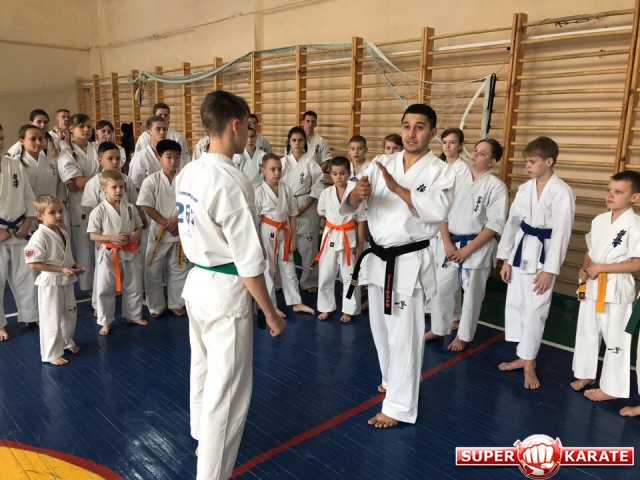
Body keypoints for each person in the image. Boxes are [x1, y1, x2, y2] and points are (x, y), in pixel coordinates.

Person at [175, 90, 285, 480]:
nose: (249, 134)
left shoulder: (189, 171)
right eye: (248, 127)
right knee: (229, 394)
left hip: (198, 284)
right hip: (225, 292)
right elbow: (249, 261)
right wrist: (270, 312)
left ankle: (201, 437)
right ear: (235, 125)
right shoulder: (232, 181)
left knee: (203, 369)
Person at [342, 103, 455, 428]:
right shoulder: (382, 162)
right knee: (381, 330)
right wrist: (357, 194)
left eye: (420, 127)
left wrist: (397, 189)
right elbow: (351, 203)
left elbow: (438, 209)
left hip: (407, 262)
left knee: (404, 335)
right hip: (378, 258)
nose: (411, 133)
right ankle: (392, 381)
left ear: (432, 133)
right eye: (407, 126)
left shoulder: (441, 171)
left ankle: (400, 407)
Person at [497, 136, 575, 389]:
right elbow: (512, 223)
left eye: (532, 161)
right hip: (521, 252)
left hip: (543, 256)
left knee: (535, 309)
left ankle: (529, 363)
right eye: (526, 161)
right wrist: (506, 258)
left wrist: (549, 271)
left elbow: (562, 233)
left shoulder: (561, 192)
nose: (527, 166)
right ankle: (523, 356)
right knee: (517, 304)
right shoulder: (525, 188)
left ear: (548, 161)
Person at [425, 139, 508, 351]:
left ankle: (464, 335)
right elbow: (441, 212)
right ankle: (438, 328)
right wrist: (447, 243)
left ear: (492, 162)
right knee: (441, 290)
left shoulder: (496, 186)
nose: (475, 154)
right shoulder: (456, 178)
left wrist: (466, 250)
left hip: (476, 249)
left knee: (472, 296)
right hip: (450, 244)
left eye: (482, 153)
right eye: (475, 150)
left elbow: (494, 225)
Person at [570, 170, 640, 402]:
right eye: (609, 190)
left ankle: (612, 388)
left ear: (634, 197)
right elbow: (591, 250)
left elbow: (636, 263)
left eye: (618, 192)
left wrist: (601, 268)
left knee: (615, 339)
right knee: (587, 331)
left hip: (616, 290)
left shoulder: (635, 225)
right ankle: (586, 374)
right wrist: (586, 267)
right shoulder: (599, 220)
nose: (610, 195)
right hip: (592, 285)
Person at [24, 194, 84, 365]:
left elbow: (65, 257)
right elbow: (33, 264)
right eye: (52, 212)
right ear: (40, 216)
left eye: (60, 211)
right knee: (51, 318)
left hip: (66, 279)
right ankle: (51, 353)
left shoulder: (62, 232)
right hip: (50, 283)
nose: (58, 215)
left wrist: (75, 265)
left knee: (69, 314)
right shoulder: (39, 236)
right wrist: (60, 269)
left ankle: (66, 342)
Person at [87, 170, 146, 335]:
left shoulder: (130, 208)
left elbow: (139, 226)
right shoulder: (98, 210)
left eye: (121, 187)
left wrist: (136, 233)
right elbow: (93, 235)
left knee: (133, 284)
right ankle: (105, 321)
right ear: (104, 189)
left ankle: (133, 315)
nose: (119, 190)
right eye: (114, 187)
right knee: (105, 287)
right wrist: (111, 237)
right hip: (108, 253)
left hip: (129, 251)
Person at [255, 153, 314, 317]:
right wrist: (259, 244)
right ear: (263, 170)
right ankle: (271, 305)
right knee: (268, 269)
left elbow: (293, 214)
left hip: (285, 231)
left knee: (289, 266)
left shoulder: (286, 189)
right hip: (266, 232)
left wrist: (294, 237)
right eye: (272, 169)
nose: (277, 173)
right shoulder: (258, 192)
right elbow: (255, 221)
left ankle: (296, 302)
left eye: (279, 169)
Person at [137, 139, 191, 317]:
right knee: (152, 268)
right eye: (169, 157)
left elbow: (192, 203)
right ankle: (156, 306)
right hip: (159, 230)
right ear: (159, 159)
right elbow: (146, 206)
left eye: (177, 157)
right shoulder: (151, 181)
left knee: (179, 267)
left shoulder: (186, 180)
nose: (173, 161)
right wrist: (165, 223)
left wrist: (177, 221)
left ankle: (176, 302)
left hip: (180, 228)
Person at [315, 156, 366, 322]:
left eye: (342, 173)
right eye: (335, 174)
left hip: (349, 238)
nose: (338, 177)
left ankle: (349, 309)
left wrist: (360, 244)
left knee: (350, 276)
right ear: (330, 174)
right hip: (330, 236)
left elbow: (361, 220)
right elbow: (322, 213)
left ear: (349, 174)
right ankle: (326, 307)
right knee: (326, 273)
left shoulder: (356, 193)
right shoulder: (326, 193)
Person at [0, 129, 39, 341]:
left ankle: (32, 315)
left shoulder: (14, 164)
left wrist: (28, 222)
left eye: (0, 138)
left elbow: (28, 195)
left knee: (27, 274)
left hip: (19, 230)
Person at [57, 114, 100, 293]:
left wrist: (84, 181)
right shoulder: (66, 153)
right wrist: (99, 180)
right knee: (85, 248)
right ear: (71, 129)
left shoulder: (97, 148)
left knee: (104, 245)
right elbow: (77, 183)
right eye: (81, 126)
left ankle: (105, 282)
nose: (86, 129)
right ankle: (88, 285)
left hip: (101, 202)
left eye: (89, 126)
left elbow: (83, 182)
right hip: (79, 205)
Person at [281, 126, 324, 292]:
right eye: (294, 140)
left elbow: (317, 188)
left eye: (300, 140)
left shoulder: (311, 164)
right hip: (287, 207)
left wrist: (304, 206)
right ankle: (281, 281)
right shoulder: (283, 163)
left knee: (309, 249)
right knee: (284, 248)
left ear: (305, 142)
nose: (297, 143)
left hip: (307, 208)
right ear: (289, 142)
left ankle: (310, 281)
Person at [14, 125, 60, 199]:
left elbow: (59, 183)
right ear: (22, 141)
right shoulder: (15, 163)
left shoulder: (51, 161)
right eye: (33, 139)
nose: (38, 142)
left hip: (52, 203)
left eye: (40, 139)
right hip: (29, 204)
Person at [129, 116, 169, 190]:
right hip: (146, 195)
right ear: (149, 132)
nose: (162, 132)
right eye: (158, 129)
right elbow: (134, 186)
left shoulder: (170, 155)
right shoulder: (140, 157)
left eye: (164, 129)